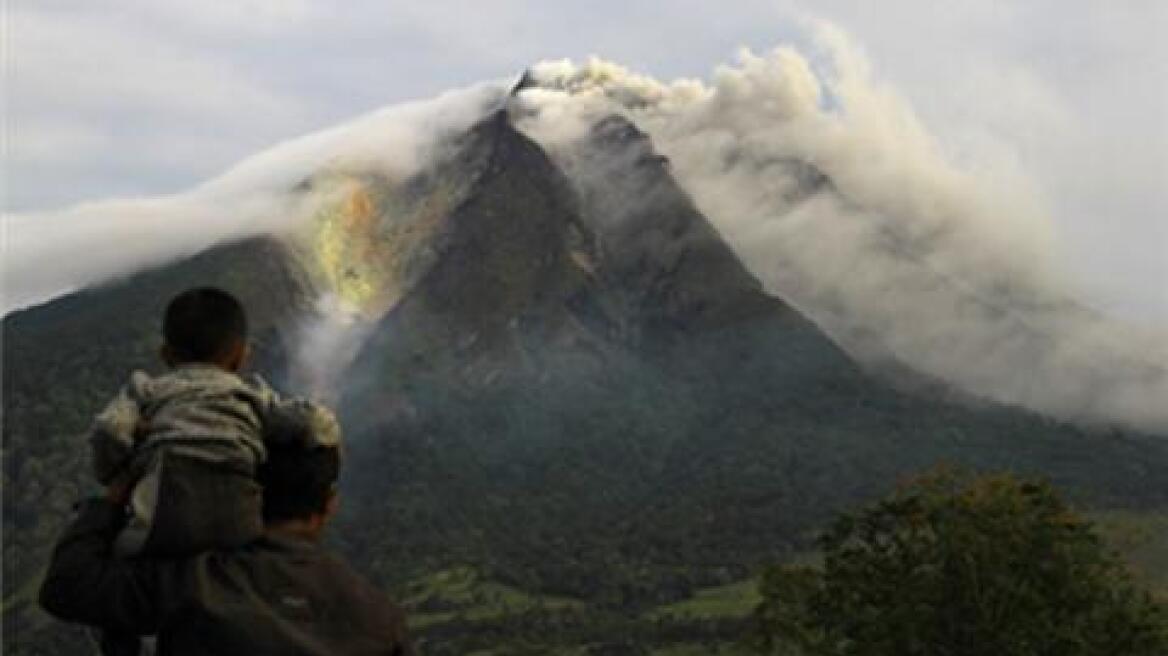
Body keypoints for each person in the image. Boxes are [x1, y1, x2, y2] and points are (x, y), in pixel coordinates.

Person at [39, 408, 414, 655]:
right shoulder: (380, 619)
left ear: (246, 489)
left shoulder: (192, 584)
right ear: (329, 503)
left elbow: (66, 586)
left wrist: (115, 495)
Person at [85, 286, 334, 654]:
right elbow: (314, 421)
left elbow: (109, 429)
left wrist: (114, 473)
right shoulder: (251, 396)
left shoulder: (146, 390)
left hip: (164, 516)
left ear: (165, 354)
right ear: (241, 356)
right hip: (238, 520)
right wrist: (322, 445)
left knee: (114, 569)